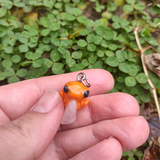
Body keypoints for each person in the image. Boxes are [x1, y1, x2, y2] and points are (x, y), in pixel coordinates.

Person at [0, 69, 149, 160]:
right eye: (66, 89)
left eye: (84, 93)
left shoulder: (80, 101)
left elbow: (84, 102)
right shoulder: (64, 95)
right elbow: (61, 93)